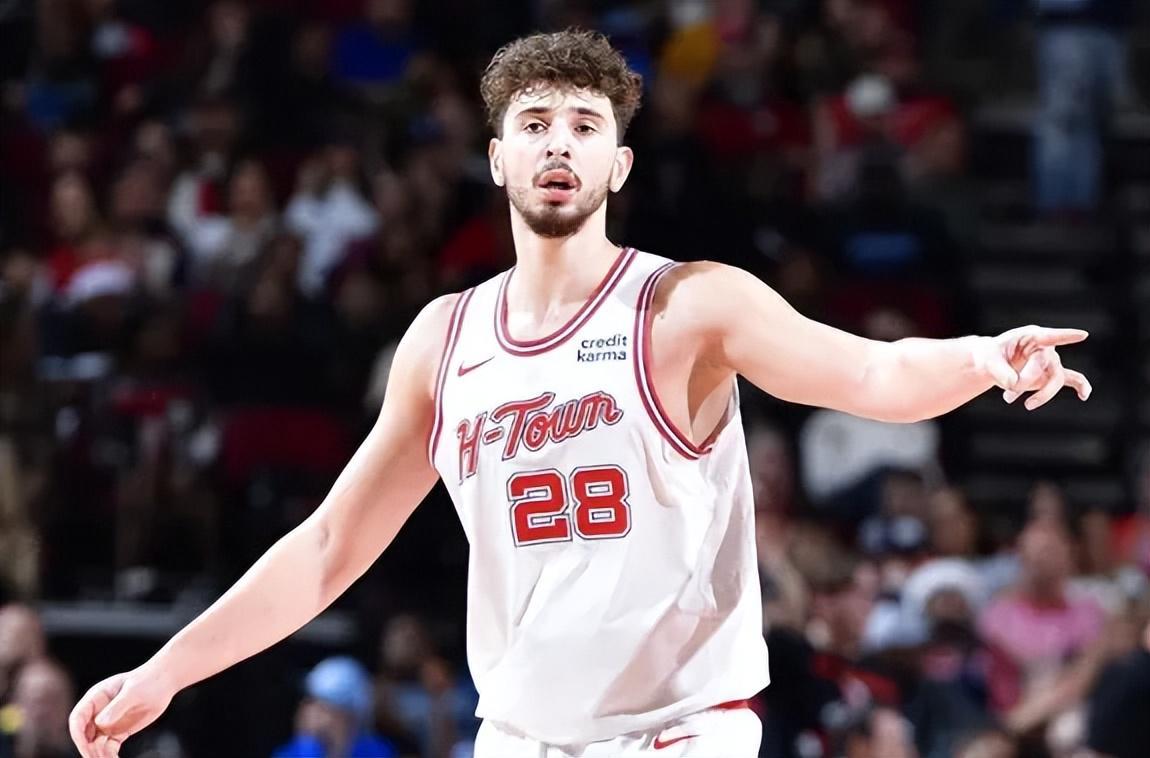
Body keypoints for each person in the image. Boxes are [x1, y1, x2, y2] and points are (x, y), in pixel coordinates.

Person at [69, 30, 1093, 758]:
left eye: (584, 124)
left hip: (677, 733)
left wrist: (982, 357)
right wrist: (165, 671)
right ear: (497, 158)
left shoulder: (687, 305)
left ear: (619, 162)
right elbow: (330, 545)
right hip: (518, 735)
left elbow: (870, 373)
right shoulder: (445, 339)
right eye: (535, 123)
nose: (558, 143)